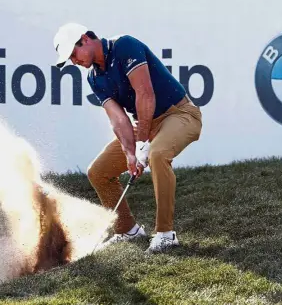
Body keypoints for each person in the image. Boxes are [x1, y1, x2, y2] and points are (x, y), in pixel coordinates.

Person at [53, 23, 202, 253]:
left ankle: (165, 234)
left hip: (179, 113)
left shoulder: (124, 45)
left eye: (73, 54)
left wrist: (142, 144)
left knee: (158, 154)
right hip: (145, 124)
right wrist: (130, 153)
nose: (74, 61)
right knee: (98, 172)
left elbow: (146, 94)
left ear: (85, 39)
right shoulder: (94, 78)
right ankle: (128, 230)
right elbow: (119, 120)